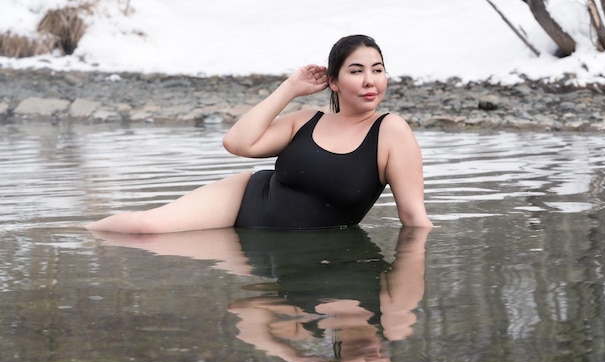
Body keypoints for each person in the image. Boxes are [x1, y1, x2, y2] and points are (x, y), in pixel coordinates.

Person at [86, 34, 432, 233]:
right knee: (144, 229)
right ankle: (79, 234)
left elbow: (413, 217)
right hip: (244, 199)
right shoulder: (307, 119)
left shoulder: (390, 132)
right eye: (356, 71)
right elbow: (237, 142)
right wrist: (290, 88)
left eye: (378, 70)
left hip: (288, 252)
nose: (370, 80)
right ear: (334, 82)